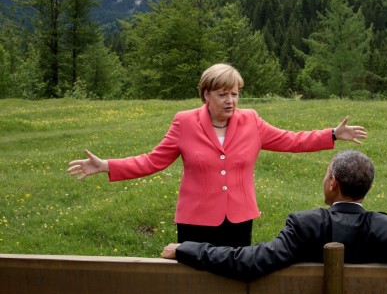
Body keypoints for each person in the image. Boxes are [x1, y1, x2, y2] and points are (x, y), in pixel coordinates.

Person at [67, 63, 367, 247]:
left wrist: (332, 134)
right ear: (206, 95)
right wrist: (107, 165)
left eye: (235, 93)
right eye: (223, 94)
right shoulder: (184, 122)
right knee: (194, 282)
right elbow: (153, 160)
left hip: (239, 219)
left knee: (234, 278)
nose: (231, 100)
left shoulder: (251, 120)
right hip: (195, 220)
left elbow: (290, 140)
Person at [162, 150, 387, 284]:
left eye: (326, 175)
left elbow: (248, 262)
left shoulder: (305, 226)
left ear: (333, 184)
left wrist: (187, 248)